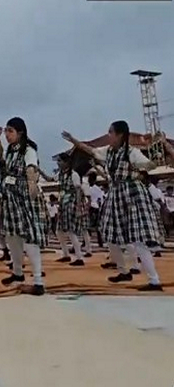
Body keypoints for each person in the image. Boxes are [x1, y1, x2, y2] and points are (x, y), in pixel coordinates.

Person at [63, 121, 163, 291]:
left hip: (132, 195)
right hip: (116, 194)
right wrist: (74, 141)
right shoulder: (108, 152)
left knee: (138, 239)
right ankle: (124, 271)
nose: (108, 135)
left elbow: (151, 165)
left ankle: (154, 280)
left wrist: (155, 148)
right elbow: (91, 150)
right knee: (110, 235)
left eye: (111, 132)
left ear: (120, 135)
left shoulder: (132, 153)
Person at [0, 118, 45, 295]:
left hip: (22, 196)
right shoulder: (10, 151)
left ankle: (38, 281)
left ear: (20, 133)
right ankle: (17, 273)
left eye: (10, 131)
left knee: (28, 236)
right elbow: (1, 158)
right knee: (12, 236)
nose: (7, 135)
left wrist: (31, 186)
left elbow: (31, 168)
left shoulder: (28, 150)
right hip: (9, 196)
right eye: (6, 131)